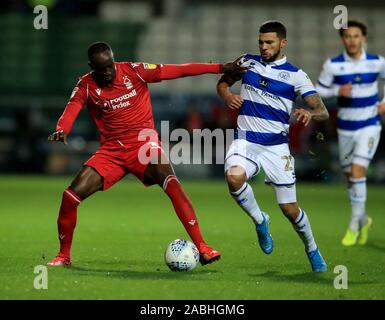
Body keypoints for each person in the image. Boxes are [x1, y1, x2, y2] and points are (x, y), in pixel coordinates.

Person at [47, 41, 246, 266]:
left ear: (113, 60)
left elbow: (179, 70)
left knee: (171, 182)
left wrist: (220, 68)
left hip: (144, 145)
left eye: (110, 66)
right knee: (70, 196)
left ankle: (203, 246)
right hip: (112, 151)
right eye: (101, 68)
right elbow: (73, 106)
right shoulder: (86, 84)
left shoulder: (134, 71)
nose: (107, 72)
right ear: (91, 66)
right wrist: (62, 128)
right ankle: (64, 256)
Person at [217, 21, 329, 272]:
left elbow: (323, 111)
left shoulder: (296, 75)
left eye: (269, 42)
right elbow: (223, 83)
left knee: (289, 209)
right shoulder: (247, 62)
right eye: (261, 42)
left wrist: (311, 114)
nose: (264, 47)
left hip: (276, 148)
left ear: (283, 43)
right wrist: (228, 96)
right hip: (245, 139)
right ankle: (260, 220)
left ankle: (311, 247)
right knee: (234, 178)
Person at [316, 20, 385, 246]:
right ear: (343, 40)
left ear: (364, 38)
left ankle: (353, 225)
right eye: (347, 36)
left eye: (356, 36)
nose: (352, 40)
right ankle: (363, 218)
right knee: (350, 179)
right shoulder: (333, 65)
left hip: (370, 124)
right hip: (345, 127)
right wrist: (337, 90)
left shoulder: (377, 62)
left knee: (357, 173)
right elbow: (318, 91)